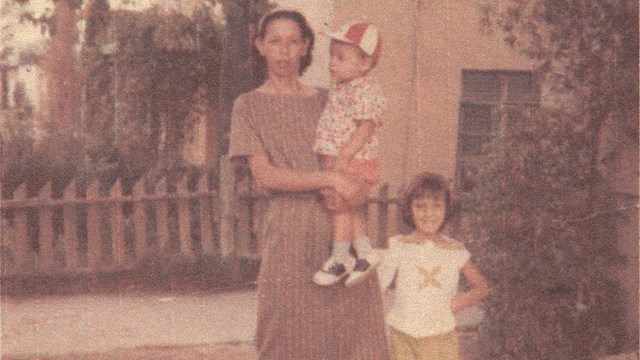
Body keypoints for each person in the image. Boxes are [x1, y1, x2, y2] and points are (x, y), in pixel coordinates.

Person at [228, 9, 389, 360]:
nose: (284, 51)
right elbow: (266, 175)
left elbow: (361, 159)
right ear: (259, 45)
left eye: (293, 42)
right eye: (274, 41)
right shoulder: (248, 106)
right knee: (284, 339)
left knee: (355, 341)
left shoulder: (330, 98)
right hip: (286, 238)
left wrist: (357, 190)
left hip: (340, 237)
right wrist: (329, 178)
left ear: (305, 47)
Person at [377, 172, 489, 360]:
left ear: (447, 209)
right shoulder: (398, 245)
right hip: (403, 335)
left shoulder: (455, 251)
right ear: (409, 209)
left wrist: (459, 303)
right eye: (420, 207)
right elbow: (378, 286)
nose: (428, 214)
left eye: (437, 206)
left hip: (440, 336)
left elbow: (481, 288)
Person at [312, 21, 387, 288]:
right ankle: (365, 253)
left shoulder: (364, 89)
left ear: (364, 64)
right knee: (350, 208)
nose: (332, 62)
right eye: (332, 56)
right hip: (339, 157)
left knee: (340, 209)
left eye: (341, 57)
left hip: (353, 160)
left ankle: (340, 259)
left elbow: (366, 126)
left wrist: (344, 157)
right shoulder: (344, 87)